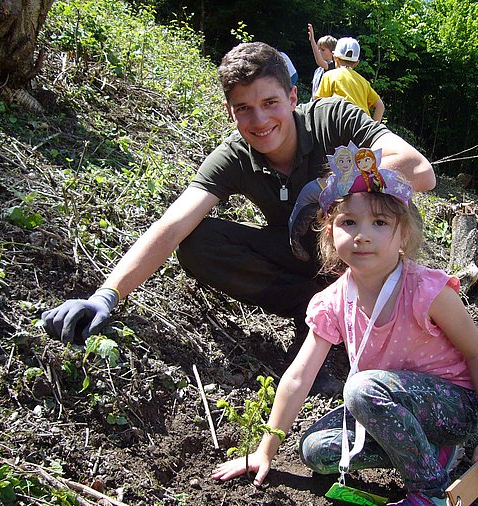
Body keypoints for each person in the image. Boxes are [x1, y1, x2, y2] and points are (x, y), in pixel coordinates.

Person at [41, 43, 435, 365]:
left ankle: (372, 313)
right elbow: (173, 223)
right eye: (243, 108)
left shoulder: (332, 118)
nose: (259, 120)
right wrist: (106, 295)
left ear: (293, 97)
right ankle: (314, 310)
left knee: (389, 202)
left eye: (270, 102)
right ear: (230, 112)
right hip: (300, 257)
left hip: (360, 251)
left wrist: (326, 188)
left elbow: (419, 171)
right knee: (198, 243)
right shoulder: (233, 156)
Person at [212, 147, 478, 506]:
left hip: (454, 407)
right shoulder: (332, 301)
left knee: (362, 388)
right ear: (329, 231)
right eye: (348, 221)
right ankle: (431, 456)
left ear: (403, 233)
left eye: (380, 222)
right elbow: (300, 374)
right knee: (315, 450)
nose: (362, 235)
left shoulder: (427, 290)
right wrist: (266, 449)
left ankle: (431, 500)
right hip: (393, 406)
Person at [316, 37, 385, 122]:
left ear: (335, 58)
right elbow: (380, 106)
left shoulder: (329, 76)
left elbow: (319, 105)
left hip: (340, 125)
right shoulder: (363, 82)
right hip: (362, 126)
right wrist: (373, 129)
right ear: (356, 63)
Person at [307, 24, 336, 99]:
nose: (319, 52)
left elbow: (319, 61)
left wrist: (312, 41)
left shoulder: (333, 66)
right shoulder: (318, 70)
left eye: (322, 50)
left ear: (332, 52)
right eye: (318, 49)